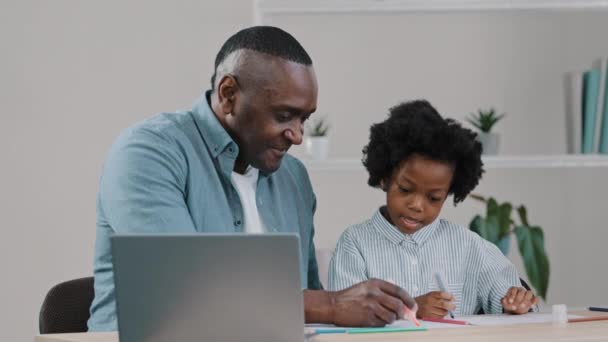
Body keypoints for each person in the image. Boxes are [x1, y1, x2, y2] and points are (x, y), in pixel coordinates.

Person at [87, 26, 416, 331]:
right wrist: (331, 303)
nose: (298, 135)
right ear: (228, 93)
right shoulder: (149, 153)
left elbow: (305, 300)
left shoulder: (293, 178)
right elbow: (182, 292)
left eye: (305, 118)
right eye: (284, 115)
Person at [328, 100, 539, 318]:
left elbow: (509, 298)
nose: (417, 205)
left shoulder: (468, 246)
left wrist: (516, 303)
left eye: (434, 198)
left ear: (448, 193)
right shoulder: (355, 244)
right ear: (384, 178)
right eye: (405, 189)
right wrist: (410, 311)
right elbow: (345, 316)